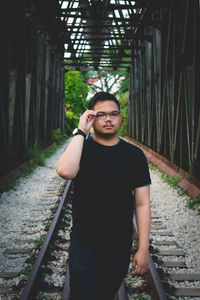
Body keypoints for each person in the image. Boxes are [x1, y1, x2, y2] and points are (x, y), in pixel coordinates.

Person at [56, 92, 151, 300]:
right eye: (101, 114)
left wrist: (143, 248)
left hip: (119, 244)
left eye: (114, 114)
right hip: (85, 243)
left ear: (120, 117)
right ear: (91, 117)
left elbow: (142, 204)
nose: (108, 119)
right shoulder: (81, 149)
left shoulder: (134, 155)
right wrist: (81, 131)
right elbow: (65, 171)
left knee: (107, 292)